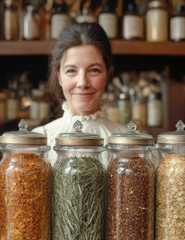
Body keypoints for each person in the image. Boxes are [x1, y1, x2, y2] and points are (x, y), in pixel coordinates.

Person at [33, 22, 126, 165]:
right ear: (59, 77)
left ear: (108, 74)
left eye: (94, 70)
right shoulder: (36, 143)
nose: (82, 82)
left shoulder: (132, 145)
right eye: (71, 71)